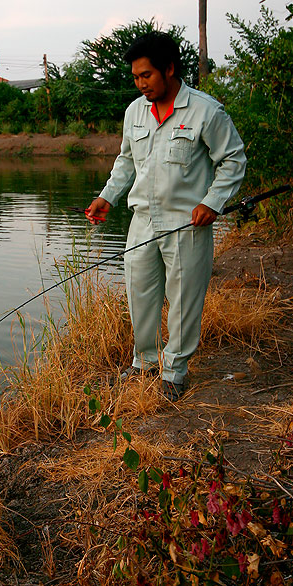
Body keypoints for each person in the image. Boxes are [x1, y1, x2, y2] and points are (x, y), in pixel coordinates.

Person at [86, 32, 246, 399]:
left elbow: (233, 159)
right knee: (139, 293)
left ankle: (174, 371)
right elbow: (126, 161)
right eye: (136, 77)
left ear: (169, 69)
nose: (141, 84)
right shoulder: (134, 112)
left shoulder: (206, 111)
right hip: (142, 222)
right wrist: (107, 196)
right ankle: (144, 362)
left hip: (186, 224)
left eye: (147, 76)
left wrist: (212, 202)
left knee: (184, 298)